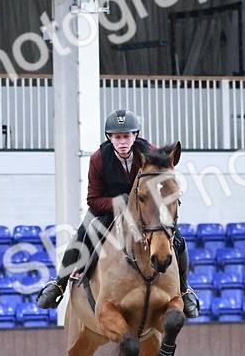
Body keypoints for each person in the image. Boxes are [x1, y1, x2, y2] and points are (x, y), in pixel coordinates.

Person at [36, 108, 200, 318]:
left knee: (176, 239)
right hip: (107, 207)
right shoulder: (98, 159)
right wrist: (119, 202)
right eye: (117, 137)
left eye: (127, 136)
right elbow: (92, 200)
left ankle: (185, 290)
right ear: (110, 138)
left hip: (144, 211)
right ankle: (59, 283)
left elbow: (162, 183)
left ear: (135, 136)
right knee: (82, 235)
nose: (122, 142)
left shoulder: (150, 152)